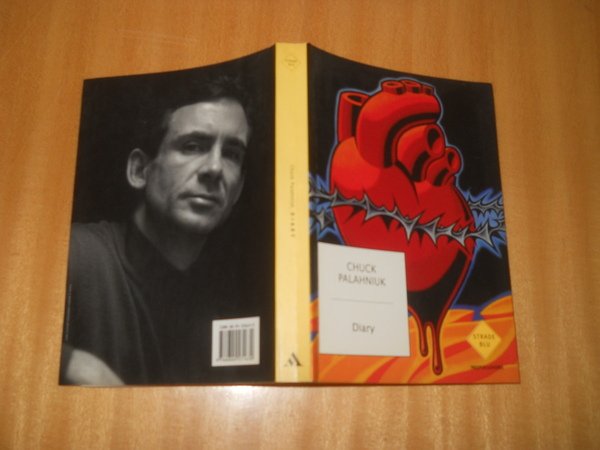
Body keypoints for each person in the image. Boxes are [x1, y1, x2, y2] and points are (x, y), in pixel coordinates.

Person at [60, 76, 261, 385]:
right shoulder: (75, 255)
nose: (214, 168)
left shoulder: (235, 307)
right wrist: (71, 363)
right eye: (192, 146)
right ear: (139, 170)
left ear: (239, 190)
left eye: (232, 154)